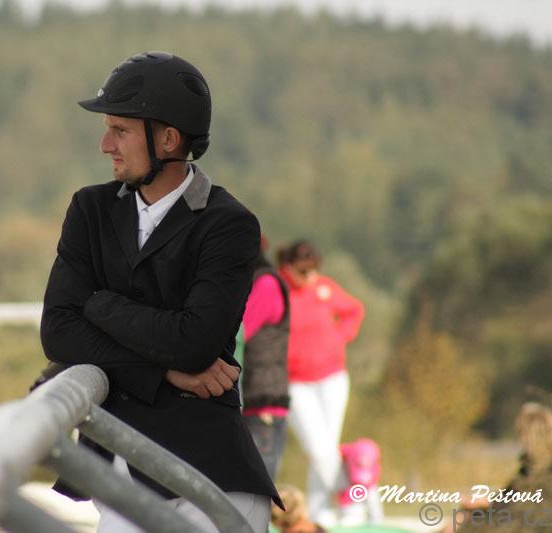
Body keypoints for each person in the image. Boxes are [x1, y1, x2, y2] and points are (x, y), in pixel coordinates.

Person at [39, 50, 280, 532]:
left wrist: (99, 303)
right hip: (115, 480)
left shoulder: (229, 224)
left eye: (120, 130)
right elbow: (59, 331)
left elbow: (193, 345)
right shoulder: (89, 209)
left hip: (209, 485)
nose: (105, 144)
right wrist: (160, 370)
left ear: (168, 139)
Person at [276, 240, 364, 527]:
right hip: (296, 381)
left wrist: (338, 338)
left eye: (314, 270)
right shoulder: (278, 290)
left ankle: (318, 511)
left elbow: (354, 310)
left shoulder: (324, 288)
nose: (310, 276)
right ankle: (351, 498)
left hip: (332, 378)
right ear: (288, 267)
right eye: (303, 271)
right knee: (318, 447)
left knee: (327, 446)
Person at [241, 243, 291, 481]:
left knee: (256, 484)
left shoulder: (266, 285)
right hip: (258, 397)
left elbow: (238, 331)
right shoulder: (260, 281)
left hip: (263, 401)